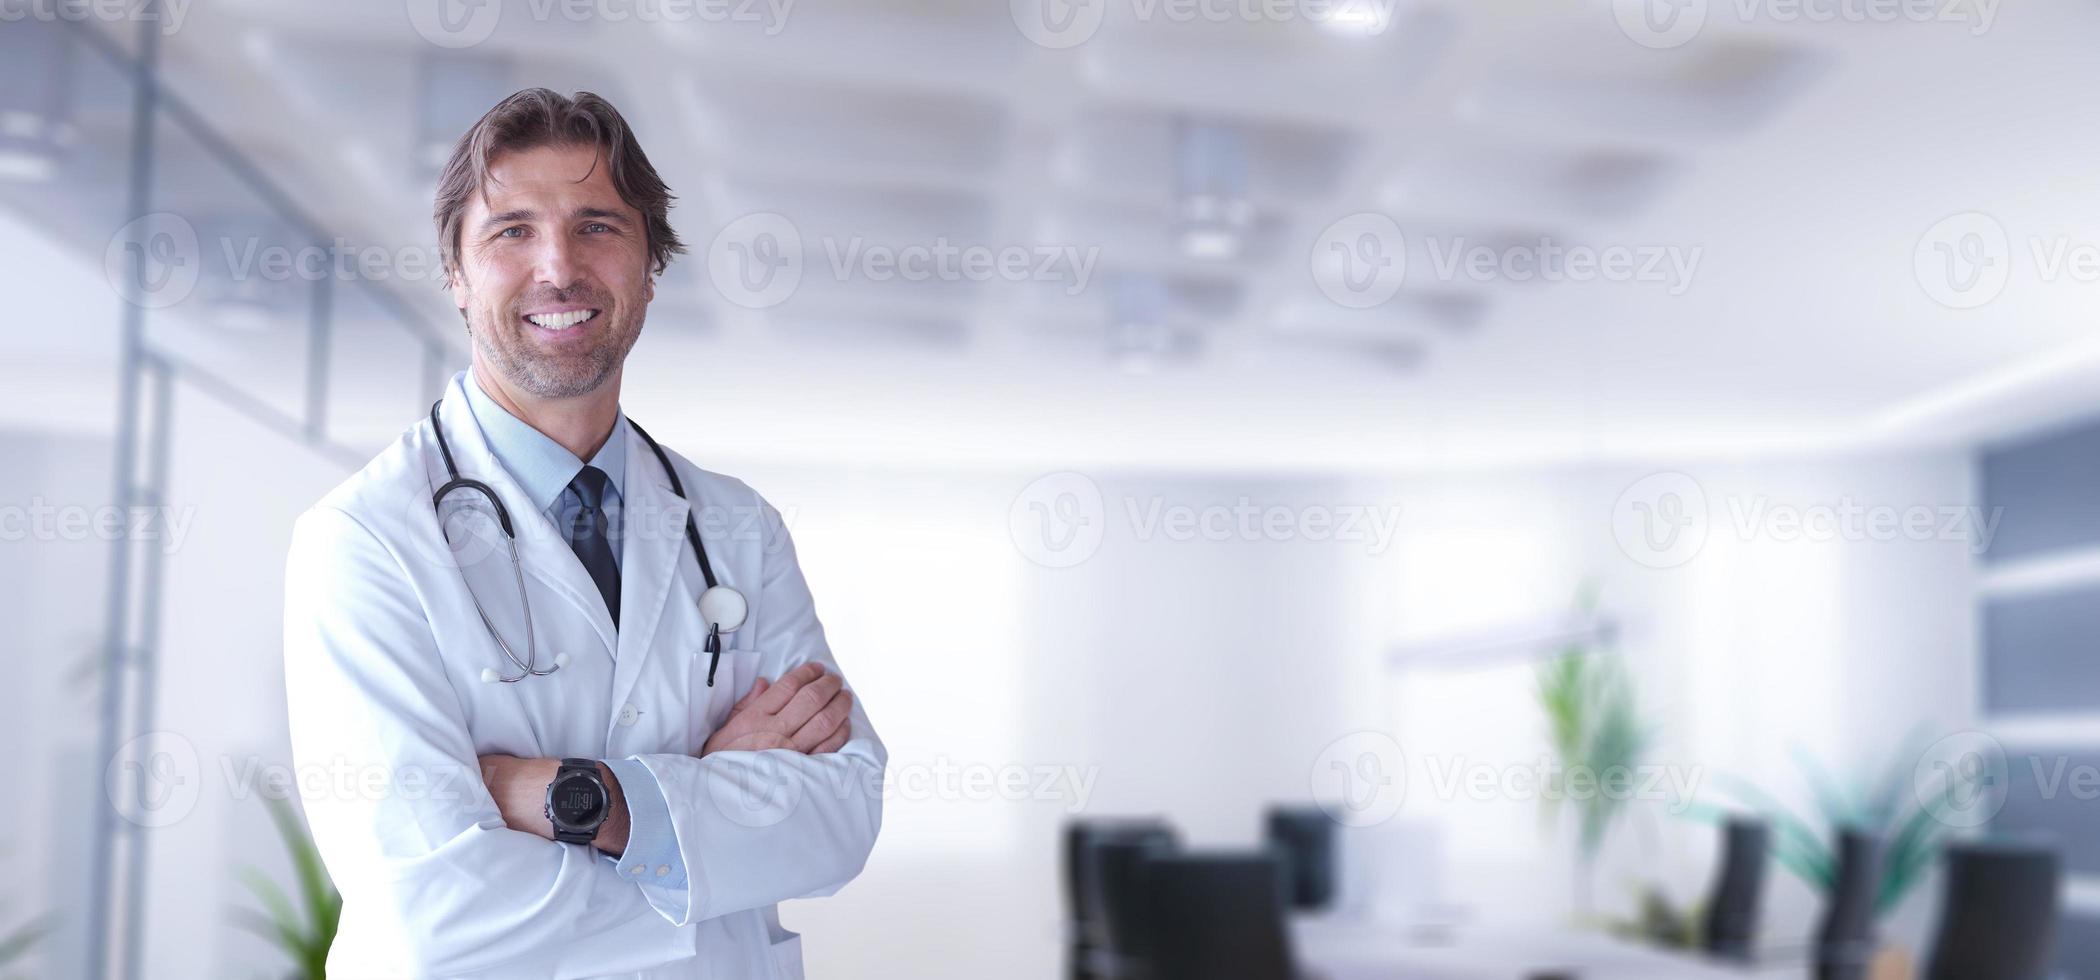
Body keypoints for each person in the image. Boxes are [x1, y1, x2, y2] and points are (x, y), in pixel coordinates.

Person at [282, 88, 884, 979]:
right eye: (512, 231)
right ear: (455, 272)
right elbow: (431, 914)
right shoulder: (364, 539)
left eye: (598, 225)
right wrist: (697, 829)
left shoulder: (736, 525)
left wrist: (580, 799)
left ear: (651, 264)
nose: (558, 267)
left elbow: (840, 816)